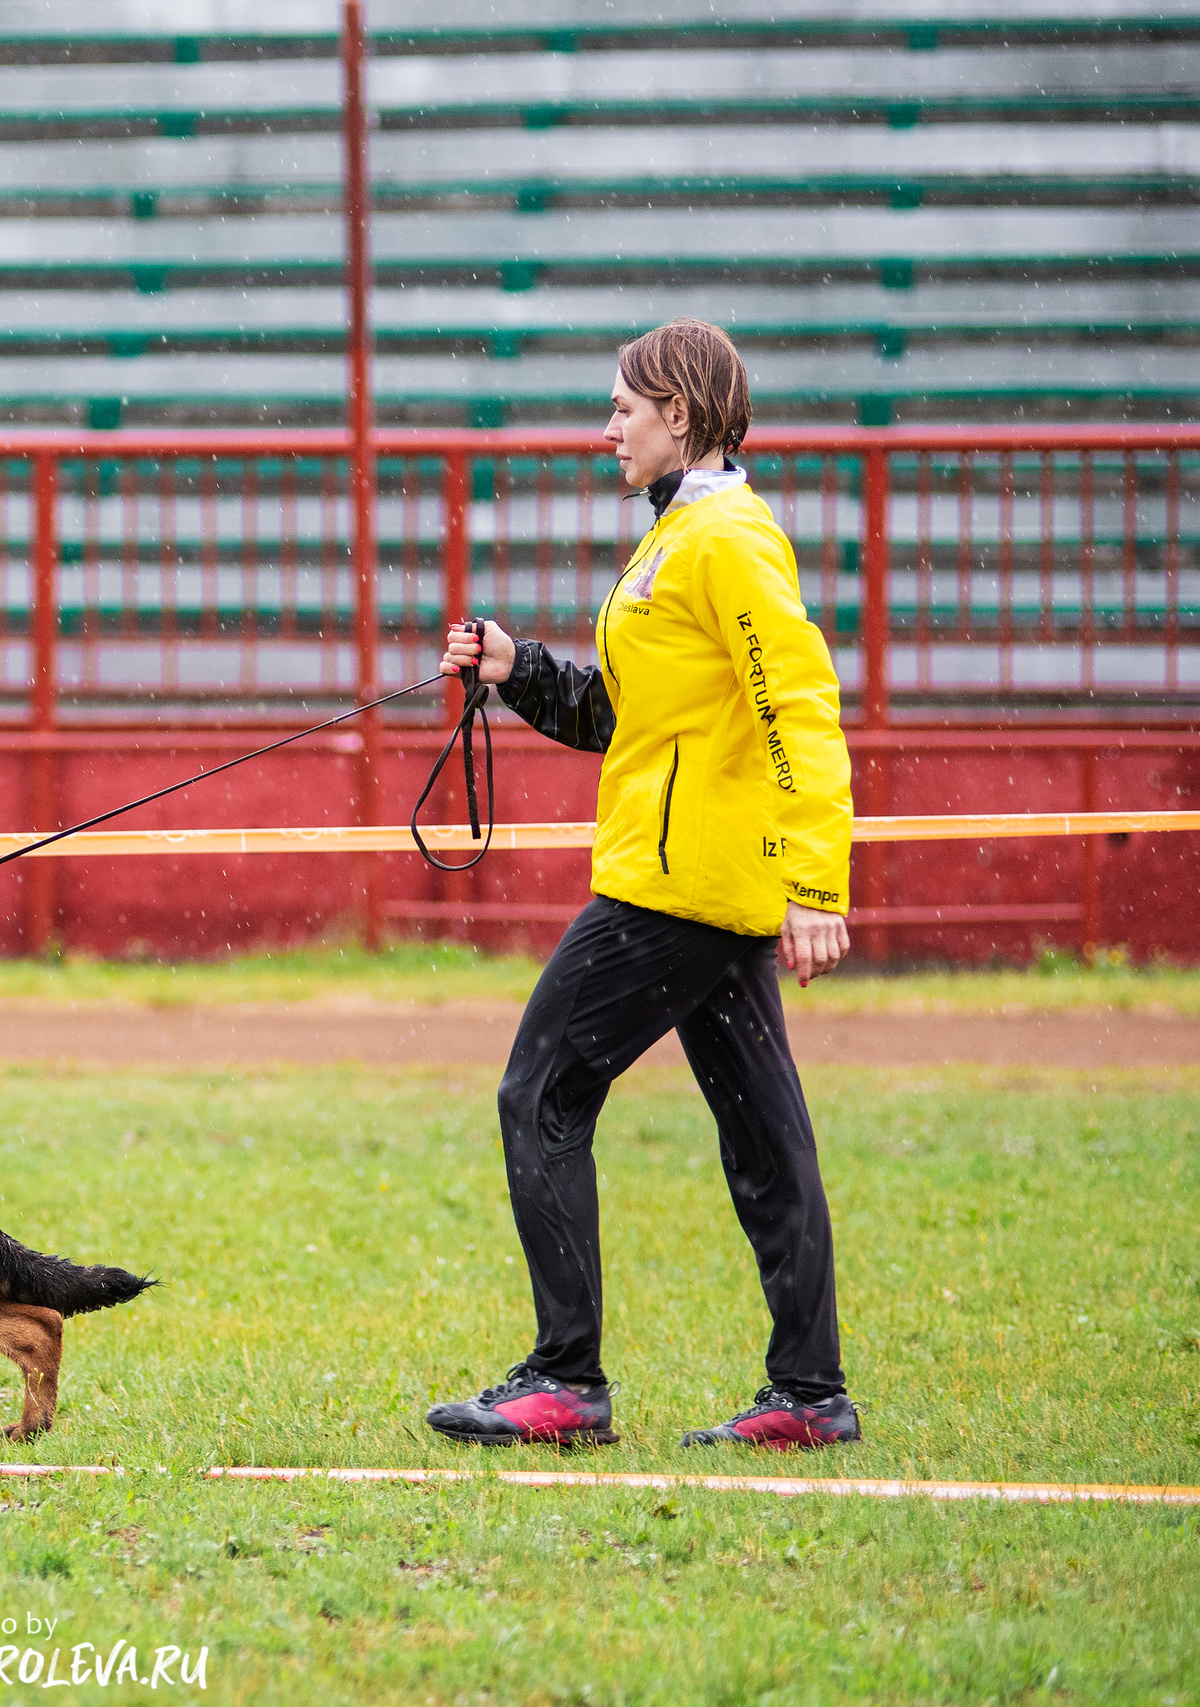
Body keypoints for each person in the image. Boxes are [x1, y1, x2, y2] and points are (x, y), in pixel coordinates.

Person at [422, 319, 862, 1451]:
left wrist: (819, 881)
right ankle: (810, 1397)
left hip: (674, 888)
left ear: (680, 412)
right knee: (767, 1139)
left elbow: (798, 710)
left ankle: (566, 1382)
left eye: (624, 407)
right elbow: (622, 719)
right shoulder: (677, 538)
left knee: (540, 1095)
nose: (607, 426)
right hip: (700, 883)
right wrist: (517, 670)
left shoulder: (724, 540)